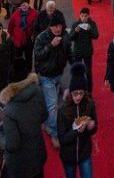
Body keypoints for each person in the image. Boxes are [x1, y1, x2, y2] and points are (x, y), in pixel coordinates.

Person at [0, 59, 49, 178]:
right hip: (37, 153)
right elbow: (44, 116)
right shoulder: (37, 92)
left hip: (20, 164)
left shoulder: (9, 110)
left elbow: (12, 145)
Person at [33, 10, 70, 148]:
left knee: (49, 103)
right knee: (53, 105)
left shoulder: (64, 36)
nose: (58, 29)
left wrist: (73, 63)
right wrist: (50, 46)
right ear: (50, 26)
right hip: (46, 76)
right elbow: (38, 54)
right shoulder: (42, 37)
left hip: (58, 74)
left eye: (60, 26)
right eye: (55, 26)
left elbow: (68, 52)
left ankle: (45, 123)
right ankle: (55, 134)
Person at [57, 63, 98, 178]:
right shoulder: (63, 110)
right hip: (68, 156)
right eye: (75, 93)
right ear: (71, 92)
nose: (78, 97)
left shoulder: (90, 104)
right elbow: (62, 138)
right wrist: (76, 131)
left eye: (81, 93)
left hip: (84, 153)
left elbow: (95, 126)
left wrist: (92, 126)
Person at [70, 7, 99, 92]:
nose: (83, 18)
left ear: (88, 16)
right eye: (82, 16)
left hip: (87, 52)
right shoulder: (76, 24)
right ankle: (77, 90)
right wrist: (75, 31)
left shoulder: (92, 24)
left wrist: (90, 29)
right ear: (80, 15)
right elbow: (70, 38)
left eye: (85, 16)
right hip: (77, 52)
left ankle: (89, 92)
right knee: (76, 72)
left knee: (88, 73)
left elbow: (96, 36)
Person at [7, 0, 38, 72]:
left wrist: (34, 35)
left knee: (28, 57)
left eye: (26, 5)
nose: (24, 6)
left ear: (29, 5)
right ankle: (19, 71)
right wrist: (10, 36)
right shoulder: (16, 13)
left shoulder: (34, 13)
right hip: (18, 40)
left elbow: (36, 26)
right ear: (20, 6)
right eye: (23, 5)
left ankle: (28, 71)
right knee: (18, 57)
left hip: (28, 40)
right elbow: (11, 26)